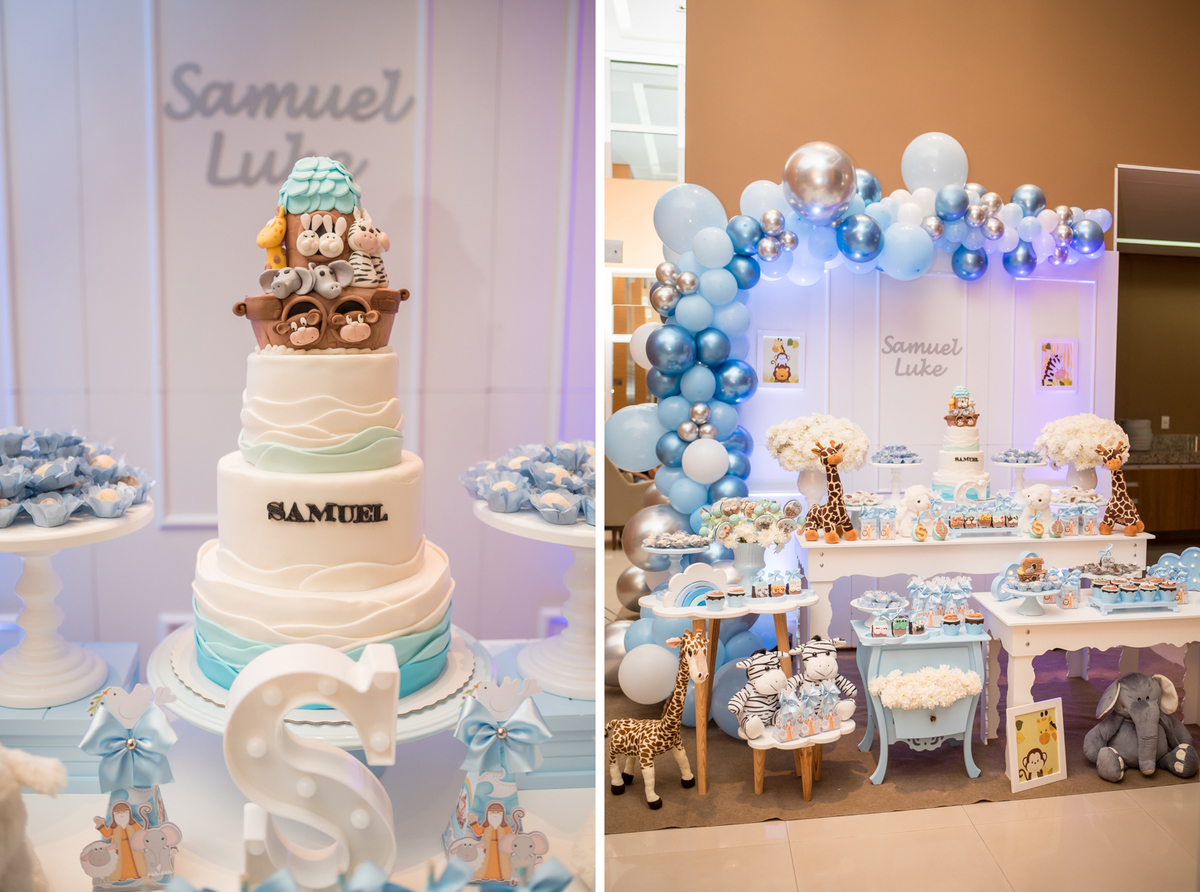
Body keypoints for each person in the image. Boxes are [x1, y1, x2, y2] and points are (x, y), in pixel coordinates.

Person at [94, 800, 147, 880]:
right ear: (114, 814)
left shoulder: (132, 824)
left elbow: (140, 832)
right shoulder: (114, 826)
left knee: (134, 860)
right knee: (120, 861)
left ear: (128, 812)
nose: (121, 814)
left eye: (124, 811)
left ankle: (137, 874)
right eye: (118, 812)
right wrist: (101, 825)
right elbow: (107, 835)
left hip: (132, 846)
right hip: (119, 846)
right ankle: (122, 876)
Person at [466, 801, 515, 881]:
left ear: (502, 814)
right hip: (487, 847)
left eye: (498, 812)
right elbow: (478, 832)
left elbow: (510, 835)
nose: (495, 814)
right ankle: (485, 875)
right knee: (486, 861)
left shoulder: (504, 826)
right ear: (488, 814)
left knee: (500, 862)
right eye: (492, 812)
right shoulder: (486, 825)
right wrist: (474, 821)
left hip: (500, 848)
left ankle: (500, 876)